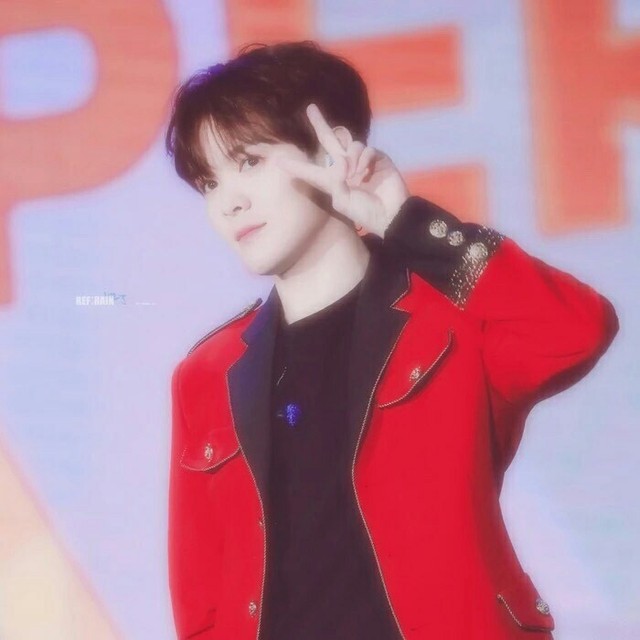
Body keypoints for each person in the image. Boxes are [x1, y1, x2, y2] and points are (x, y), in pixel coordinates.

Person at [164, 40, 619, 640]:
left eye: (249, 162)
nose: (229, 202)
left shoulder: (447, 318)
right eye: (208, 182)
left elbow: (576, 330)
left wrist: (407, 225)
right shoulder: (207, 375)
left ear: (330, 149)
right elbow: (203, 608)